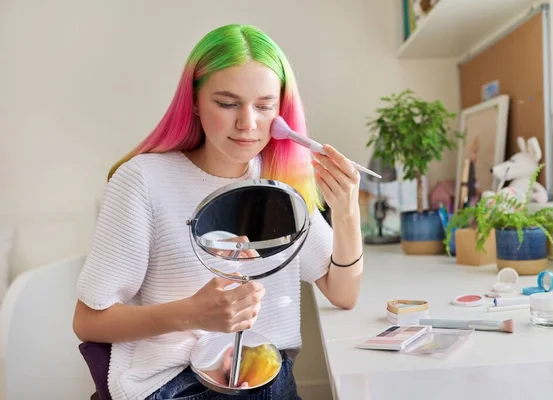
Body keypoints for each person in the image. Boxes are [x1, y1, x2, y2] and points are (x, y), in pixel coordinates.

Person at [73, 24, 364, 400]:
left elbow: (343, 292)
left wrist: (346, 212)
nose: (247, 123)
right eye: (227, 104)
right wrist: (194, 313)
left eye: (264, 106)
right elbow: (88, 322)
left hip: (268, 379)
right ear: (194, 100)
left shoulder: (280, 182)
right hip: (176, 385)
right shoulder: (143, 180)